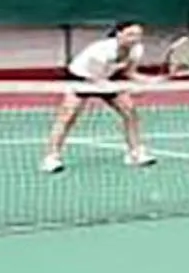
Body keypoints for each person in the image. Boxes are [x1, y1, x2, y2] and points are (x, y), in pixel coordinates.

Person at [40, 21, 158, 174]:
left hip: (106, 78)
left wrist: (150, 80)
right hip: (82, 78)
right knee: (67, 118)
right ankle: (51, 158)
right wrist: (127, 88)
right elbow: (95, 79)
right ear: (118, 34)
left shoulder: (137, 49)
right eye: (130, 34)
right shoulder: (101, 51)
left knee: (130, 112)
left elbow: (129, 73)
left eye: (138, 35)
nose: (134, 38)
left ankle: (135, 153)